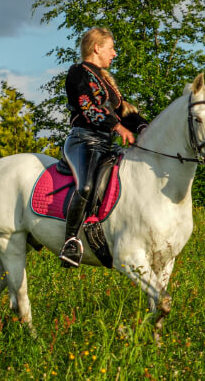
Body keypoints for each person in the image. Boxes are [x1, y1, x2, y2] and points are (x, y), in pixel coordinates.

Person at [59, 27, 148, 268]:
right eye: (111, 48)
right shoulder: (77, 73)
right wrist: (118, 128)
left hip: (106, 144)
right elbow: (87, 106)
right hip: (83, 140)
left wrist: (144, 128)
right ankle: (70, 241)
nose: (115, 53)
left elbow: (124, 112)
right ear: (97, 48)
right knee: (86, 185)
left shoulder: (106, 81)